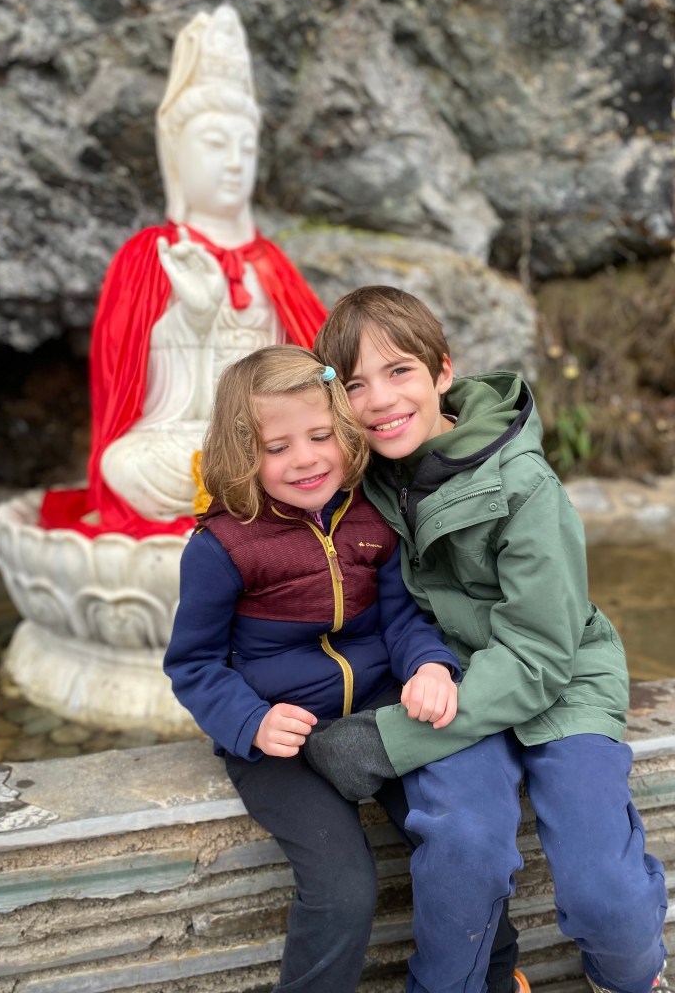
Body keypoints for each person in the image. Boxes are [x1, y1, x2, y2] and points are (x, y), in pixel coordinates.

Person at [308, 286, 670, 993]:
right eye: (353, 384)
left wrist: (385, 741)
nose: (379, 400)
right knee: (464, 845)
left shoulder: (524, 484)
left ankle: (630, 975)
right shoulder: (359, 481)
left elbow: (540, 655)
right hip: (442, 677)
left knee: (603, 892)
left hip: (556, 680)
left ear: (443, 371)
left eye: (399, 371)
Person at [162, 345, 526, 993]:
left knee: (462, 843)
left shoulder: (370, 515)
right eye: (277, 447)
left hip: (380, 718)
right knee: (343, 887)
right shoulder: (223, 546)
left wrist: (430, 667)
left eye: (320, 436)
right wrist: (250, 721)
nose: (305, 459)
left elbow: (401, 619)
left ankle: (496, 978)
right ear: (241, 451)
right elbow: (193, 664)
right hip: (283, 744)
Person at [39, 4, 327, 538]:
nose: (235, 162)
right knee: (127, 462)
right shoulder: (152, 256)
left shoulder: (273, 265)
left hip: (273, 437)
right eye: (215, 143)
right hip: (187, 435)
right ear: (175, 154)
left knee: (296, 449)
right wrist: (193, 319)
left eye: (246, 146)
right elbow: (134, 394)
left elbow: (316, 370)